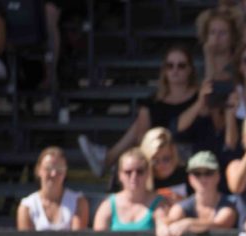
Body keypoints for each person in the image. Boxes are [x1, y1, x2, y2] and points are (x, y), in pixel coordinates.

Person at [78, 46, 199, 178]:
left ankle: (108, 158)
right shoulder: (153, 101)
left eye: (181, 66)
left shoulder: (199, 99)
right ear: (164, 70)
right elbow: (142, 138)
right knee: (140, 124)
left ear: (190, 69)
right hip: (158, 156)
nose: (175, 70)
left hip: (190, 154)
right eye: (170, 66)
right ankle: (108, 159)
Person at [161, 151, 239, 236]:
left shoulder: (229, 204)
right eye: (197, 173)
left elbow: (221, 225)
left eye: (208, 172)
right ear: (190, 178)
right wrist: (163, 223)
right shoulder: (182, 206)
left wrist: (189, 224)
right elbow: (169, 223)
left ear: (218, 176)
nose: (203, 178)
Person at [93, 149, 170, 233]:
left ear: (148, 173)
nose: (134, 176)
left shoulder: (159, 204)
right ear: (120, 175)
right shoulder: (108, 205)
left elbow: (165, 232)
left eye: (139, 171)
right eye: (128, 172)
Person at [17, 147, 89, 231]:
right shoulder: (27, 206)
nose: (54, 173)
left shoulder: (78, 202)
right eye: (48, 168)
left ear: (65, 172)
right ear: (38, 170)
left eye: (59, 169)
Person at [140, 127, 189, 204]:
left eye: (166, 159)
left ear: (173, 154)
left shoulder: (188, 175)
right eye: (155, 160)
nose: (161, 164)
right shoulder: (140, 178)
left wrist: (183, 202)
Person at [197, 7, 239, 81]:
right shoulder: (198, 67)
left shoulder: (238, 65)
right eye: (212, 32)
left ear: (233, 36)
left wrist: (209, 55)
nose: (217, 37)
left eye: (222, 33)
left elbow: (213, 83)